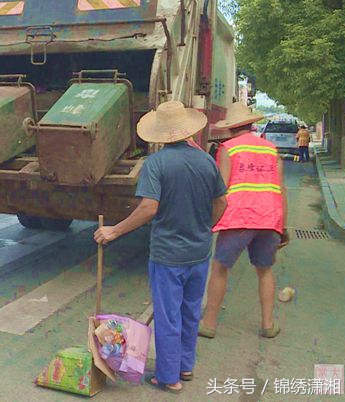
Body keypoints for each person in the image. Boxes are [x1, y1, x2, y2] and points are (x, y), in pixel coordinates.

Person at [94, 101, 227, 394]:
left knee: (168, 316)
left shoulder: (156, 164)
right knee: (191, 311)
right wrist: (206, 226)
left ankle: (169, 377)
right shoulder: (206, 160)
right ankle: (185, 365)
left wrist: (114, 231)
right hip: (199, 251)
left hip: (168, 254)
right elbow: (222, 202)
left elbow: (148, 208)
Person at [200, 102, 288, 340]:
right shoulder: (271, 149)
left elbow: (221, 188)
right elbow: (280, 190)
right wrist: (283, 226)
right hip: (270, 218)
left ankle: (209, 323)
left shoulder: (229, 148)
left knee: (220, 268)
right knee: (265, 270)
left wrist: (210, 221)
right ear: (251, 124)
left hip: (239, 217)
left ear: (230, 128)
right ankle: (268, 324)